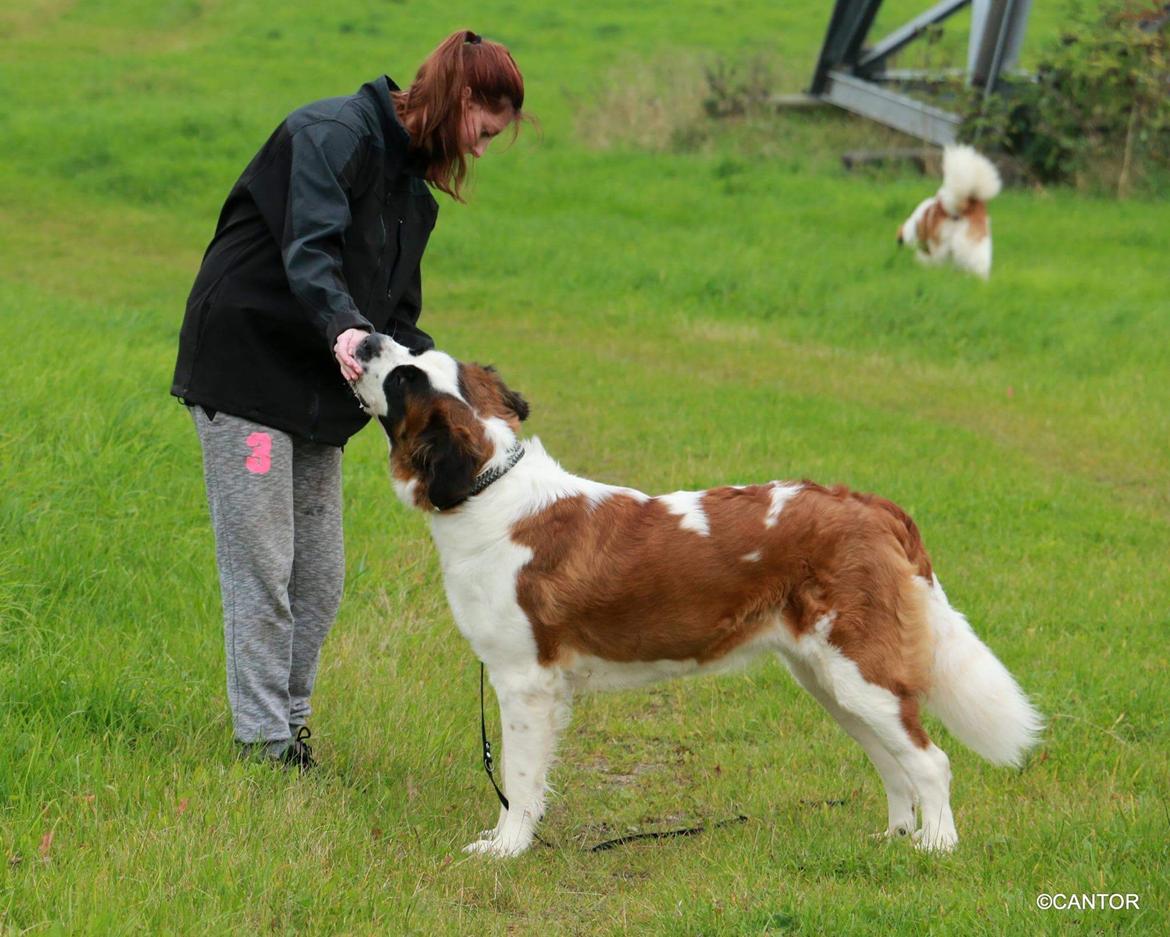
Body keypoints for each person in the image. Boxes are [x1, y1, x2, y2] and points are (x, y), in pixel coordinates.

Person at [171, 29, 526, 769]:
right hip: (250, 375)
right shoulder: (331, 134)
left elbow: (395, 318)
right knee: (263, 563)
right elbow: (311, 251)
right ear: (460, 99)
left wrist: (464, 396)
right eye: (484, 130)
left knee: (321, 576)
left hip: (317, 393)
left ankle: (288, 725)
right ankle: (265, 743)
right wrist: (343, 328)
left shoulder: (411, 196)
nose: (483, 150)